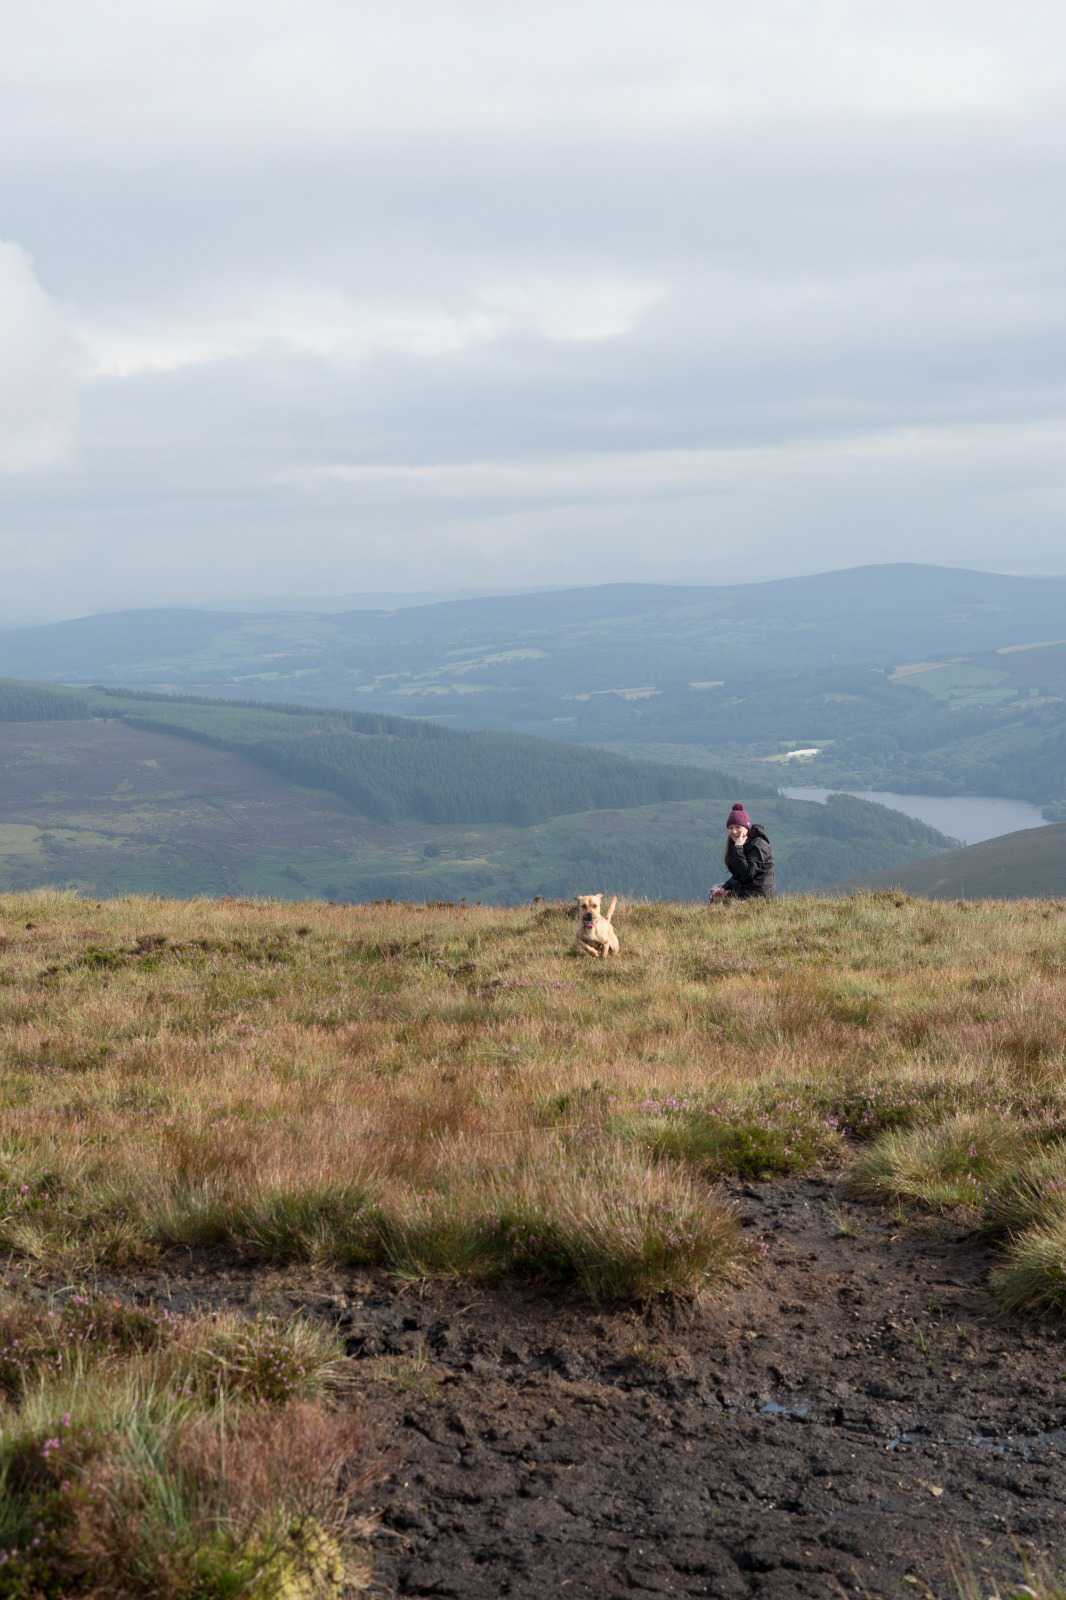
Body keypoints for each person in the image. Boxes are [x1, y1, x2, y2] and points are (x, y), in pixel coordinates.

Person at [708, 803, 775, 902]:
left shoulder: (758, 845)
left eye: (738, 827)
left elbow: (748, 875)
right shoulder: (739, 843)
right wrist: (725, 887)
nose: (734, 831)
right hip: (746, 889)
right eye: (731, 828)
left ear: (746, 828)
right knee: (715, 890)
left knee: (720, 899)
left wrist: (739, 848)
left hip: (758, 894)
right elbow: (738, 875)